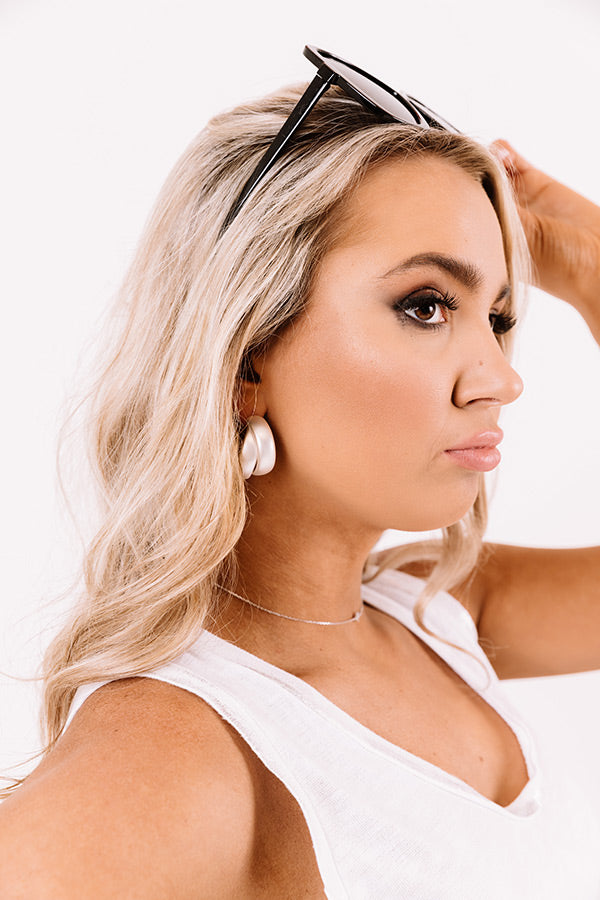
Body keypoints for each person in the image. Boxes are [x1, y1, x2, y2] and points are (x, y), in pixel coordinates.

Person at [1, 46, 599, 899]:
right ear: (247, 358)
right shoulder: (182, 745)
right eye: (426, 305)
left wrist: (587, 262)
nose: (501, 378)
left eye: (497, 316)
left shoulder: (439, 617)